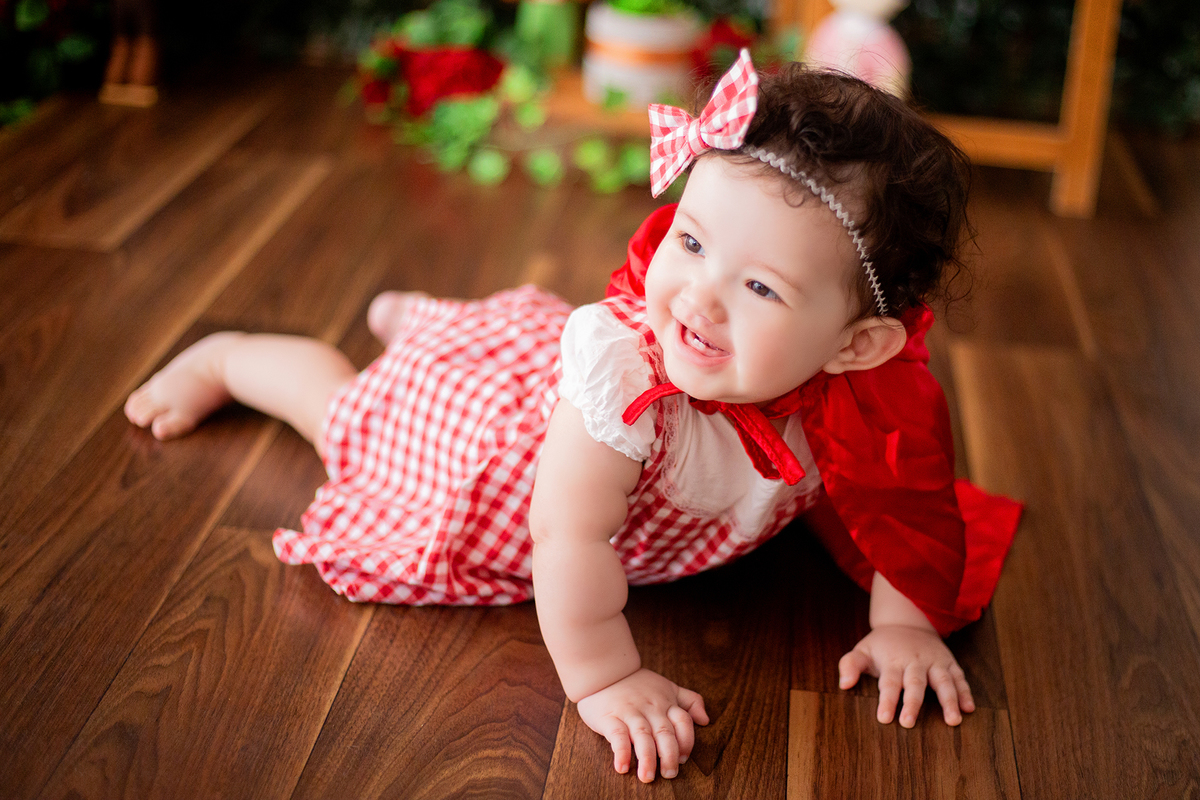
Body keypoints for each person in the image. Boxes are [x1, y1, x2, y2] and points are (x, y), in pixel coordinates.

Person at [125, 51, 1020, 784]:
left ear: (856, 345)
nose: (698, 300)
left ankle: (425, 320)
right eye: (692, 241)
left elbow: (903, 501)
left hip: (608, 476)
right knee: (346, 412)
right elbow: (564, 539)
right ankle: (235, 356)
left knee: (494, 340)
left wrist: (903, 622)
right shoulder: (629, 379)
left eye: (758, 287)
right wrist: (607, 678)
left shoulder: (876, 392)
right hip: (498, 465)